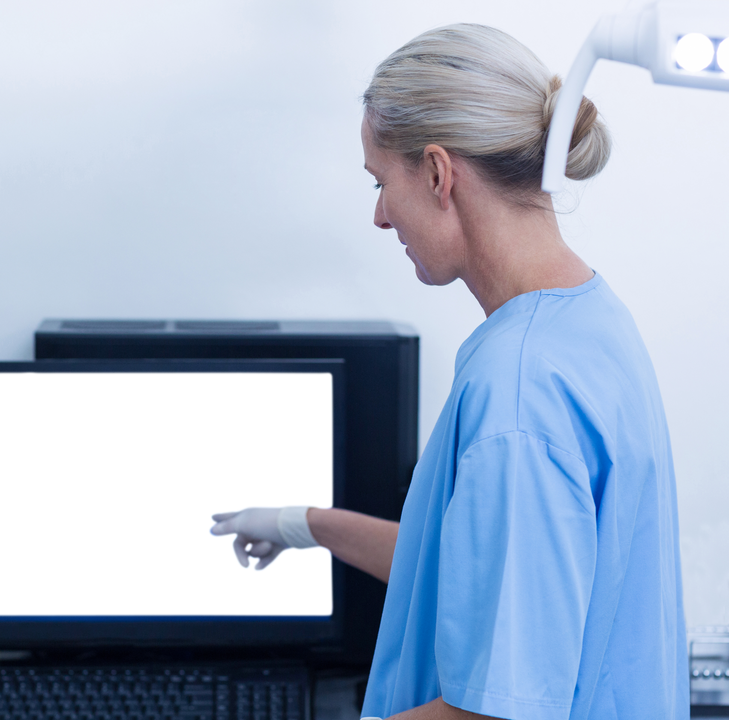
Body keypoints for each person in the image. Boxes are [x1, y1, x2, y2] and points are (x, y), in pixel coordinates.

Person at [207, 23, 687, 720]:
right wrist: (300, 524)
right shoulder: (586, 323)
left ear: (437, 173)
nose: (378, 215)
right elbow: (485, 571)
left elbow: (497, 714)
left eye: (382, 182)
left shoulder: (520, 391)